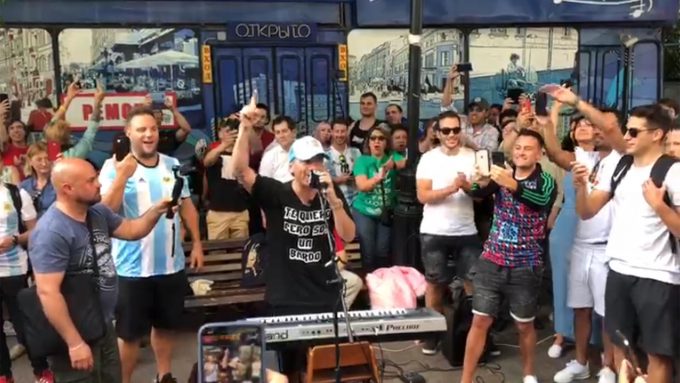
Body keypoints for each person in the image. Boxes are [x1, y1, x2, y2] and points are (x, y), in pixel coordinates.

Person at [230, 95, 355, 381]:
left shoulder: (328, 197)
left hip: (324, 296)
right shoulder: (277, 193)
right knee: (291, 371)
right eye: (307, 161)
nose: (314, 166)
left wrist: (334, 200)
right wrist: (245, 129)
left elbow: (347, 236)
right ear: (291, 167)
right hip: (286, 297)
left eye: (318, 161)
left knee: (322, 367)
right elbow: (239, 171)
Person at [28, 158, 174, 382]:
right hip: (76, 332)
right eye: (91, 180)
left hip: (102, 325)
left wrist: (156, 211)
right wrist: (75, 343)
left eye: (96, 177)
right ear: (68, 188)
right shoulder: (51, 232)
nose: (99, 184)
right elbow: (48, 292)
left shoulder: (96, 213)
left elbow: (132, 230)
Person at [573, 104, 680, 383]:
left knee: (658, 354)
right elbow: (587, 212)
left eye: (633, 131)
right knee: (622, 345)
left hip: (658, 275)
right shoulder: (621, 166)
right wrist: (581, 187)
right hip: (618, 269)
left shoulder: (673, 172)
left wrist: (660, 206)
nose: (627, 136)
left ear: (657, 134)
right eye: (626, 130)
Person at [99, 106, 205, 383]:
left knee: (166, 326)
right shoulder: (113, 166)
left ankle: (164, 375)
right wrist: (123, 175)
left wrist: (196, 244)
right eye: (141, 129)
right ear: (128, 133)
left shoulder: (171, 164)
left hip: (170, 266)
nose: (149, 135)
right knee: (130, 335)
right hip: (131, 269)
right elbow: (105, 212)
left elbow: (186, 207)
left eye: (153, 129)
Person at [461, 129, 557, 383]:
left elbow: (541, 201)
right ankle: (466, 379)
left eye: (527, 148)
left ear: (539, 153)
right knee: (480, 320)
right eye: (517, 148)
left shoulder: (545, 180)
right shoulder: (502, 174)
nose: (521, 152)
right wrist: (474, 182)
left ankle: (528, 373)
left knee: (524, 324)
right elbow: (478, 193)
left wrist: (512, 185)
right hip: (492, 261)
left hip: (526, 266)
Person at [416, 111, 481, 355]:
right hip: (434, 230)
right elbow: (423, 195)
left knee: (472, 283)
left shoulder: (472, 156)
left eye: (456, 129)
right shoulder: (428, 159)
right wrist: (452, 188)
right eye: (446, 130)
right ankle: (432, 336)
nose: (452, 134)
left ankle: (471, 336)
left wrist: (469, 187)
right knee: (434, 284)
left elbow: (481, 194)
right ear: (437, 132)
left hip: (466, 229)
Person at [352, 125, 406, 271]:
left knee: (382, 252)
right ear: (368, 142)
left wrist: (393, 165)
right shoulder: (362, 160)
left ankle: (382, 285)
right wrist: (377, 178)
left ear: (386, 142)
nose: (377, 141)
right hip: (364, 211)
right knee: (368, 253)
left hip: (385, 212)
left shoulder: (393, 157)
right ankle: (370, 286)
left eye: (381, 138)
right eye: (373, 138)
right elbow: (362, 185)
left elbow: (406, 162)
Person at [202, 117, 249, 240]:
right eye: (226, 131)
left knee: (240, 253)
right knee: (217, 254)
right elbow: (206, 162)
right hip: (217, 213)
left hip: (240, 212)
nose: (230, 134)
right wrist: (224, 145)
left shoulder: (242, 152)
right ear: (219, 133)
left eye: (233, 131)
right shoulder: (213, 152)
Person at [20, 142, 57, 218]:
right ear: (30, 162)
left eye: (47, 159)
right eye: (39, 160)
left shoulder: (59, 184)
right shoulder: (24, 186)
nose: (44, 163)